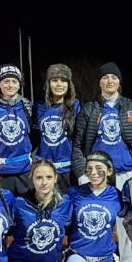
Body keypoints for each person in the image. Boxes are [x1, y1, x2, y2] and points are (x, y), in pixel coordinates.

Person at [72, 62, 132, 262]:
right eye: (105, 78)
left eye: (114, 77)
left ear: (119, 82)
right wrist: (82, 173)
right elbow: (78, 144)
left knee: (127, 222)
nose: (110, 81)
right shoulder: (89, 109)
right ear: (100, 83)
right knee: (95, 219)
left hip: (127, 172)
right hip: (97, 175)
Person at [66, 151, 127, 262]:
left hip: (103, 258)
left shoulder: (116, 195)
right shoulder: (75, 192)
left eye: (98, 168)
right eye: (89, 168)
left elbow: (130, 218)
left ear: (109, 171)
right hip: (79, 253)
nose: (93, 172)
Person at [0, 64, 34, 196]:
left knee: (26, 206)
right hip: (0, 171)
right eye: (6, 81)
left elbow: (33, 134)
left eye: (14, 81)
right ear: (0, 84)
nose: (10, 85)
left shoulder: (26, 105)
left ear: (19, 84)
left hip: (25, 170)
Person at [32, 64, 80, 193]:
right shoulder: (38, 107)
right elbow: (34, 139)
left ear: (69, 84)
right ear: (48, 83)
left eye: (63, 80)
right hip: (44, 171)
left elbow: (79, 140)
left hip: (67, 171)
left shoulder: (76, 106)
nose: (59, 84)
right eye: (54, 80)